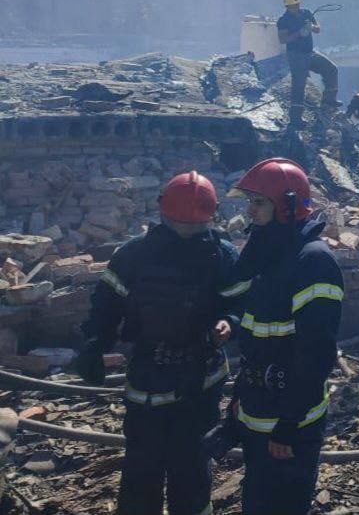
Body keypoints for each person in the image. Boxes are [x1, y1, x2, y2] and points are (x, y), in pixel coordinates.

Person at [76, 171, 240, 515]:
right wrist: (94, 343)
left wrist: (230, 322)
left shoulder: (222, 256)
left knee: (190, 470)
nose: (187, 234)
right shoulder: (134, 255)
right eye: (180, 226)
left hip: (200, 379)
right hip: (148, 376)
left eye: (194, 229)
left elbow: (239, 304)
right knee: (142, 468)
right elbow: (106, 305)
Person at [224, 158, 343, 515]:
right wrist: (239, 400)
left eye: (258, 202)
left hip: (290, 423)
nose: (250, 210)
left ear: (286, 205)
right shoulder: (267, 252)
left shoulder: (313, 261)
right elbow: (256, 340)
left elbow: (316, 353)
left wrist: (289, 424)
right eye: (250, 202)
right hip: (258, 410)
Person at [278, 0, 341, 127]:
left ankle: (328, 101)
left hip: (309, 53)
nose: (295, 8)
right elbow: (283, 39)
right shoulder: (283, 20)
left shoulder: (307, 13)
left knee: (331, 69)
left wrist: (311, 27)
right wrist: (299, 33)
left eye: (296, 5)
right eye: (292, 6)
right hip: (295, 56)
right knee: (299, 85)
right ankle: (295, 119)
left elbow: (318, 29)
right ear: (287, 6)